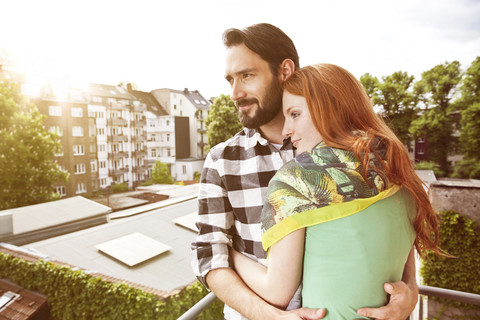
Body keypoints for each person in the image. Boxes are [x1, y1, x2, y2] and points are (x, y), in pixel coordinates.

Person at [191, 23, 419, 320]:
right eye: (230, 79)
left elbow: (395, 232)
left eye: (247, 75)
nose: (235, 92)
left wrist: (410, 294)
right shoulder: (222, 160)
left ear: (284, 71)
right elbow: (209, 258)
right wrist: (270, 316)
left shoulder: (356, 154)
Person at [229, 63, 444, 319]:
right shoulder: (398, 170)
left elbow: (276, 291)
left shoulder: (297, 180)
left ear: (330, 110)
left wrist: (229, 252)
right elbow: (402, 273)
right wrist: (411, 293)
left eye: (295, 114)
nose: (287, 130)